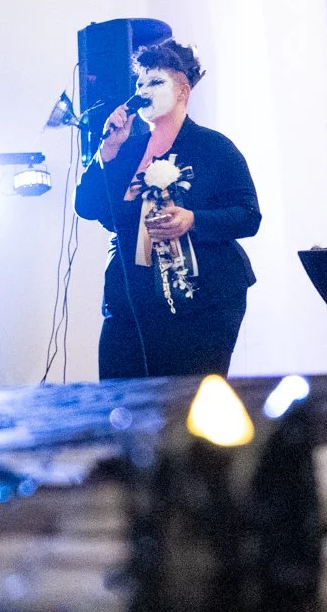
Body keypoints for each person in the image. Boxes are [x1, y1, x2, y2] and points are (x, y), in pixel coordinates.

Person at [75, 40, 261, 379]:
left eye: (156, 82)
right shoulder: (127, 149)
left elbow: (248, 215)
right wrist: (108, 151)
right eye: (140, 83)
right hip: (130, 299)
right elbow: (87, 207)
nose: (144, 90)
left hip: (201, 303)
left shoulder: (213, 147)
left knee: (184, 407)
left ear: (183, 91)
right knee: (121, 402)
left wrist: (193, 220)